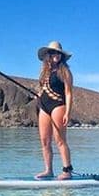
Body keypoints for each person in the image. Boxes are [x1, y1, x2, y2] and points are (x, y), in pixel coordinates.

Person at [35, 41, 74, 180]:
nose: (56, 55)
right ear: (48, 55)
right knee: (45, 141)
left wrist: (68, 112)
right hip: (44, 107)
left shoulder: (65, 71)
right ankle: (48, 170)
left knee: (60, 140)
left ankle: (67, 171)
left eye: (59, 53)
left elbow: (68, 93)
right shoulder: (44, 72)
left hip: (58, 105)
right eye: (53, 52)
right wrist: (39, 95)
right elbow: (42, 89)